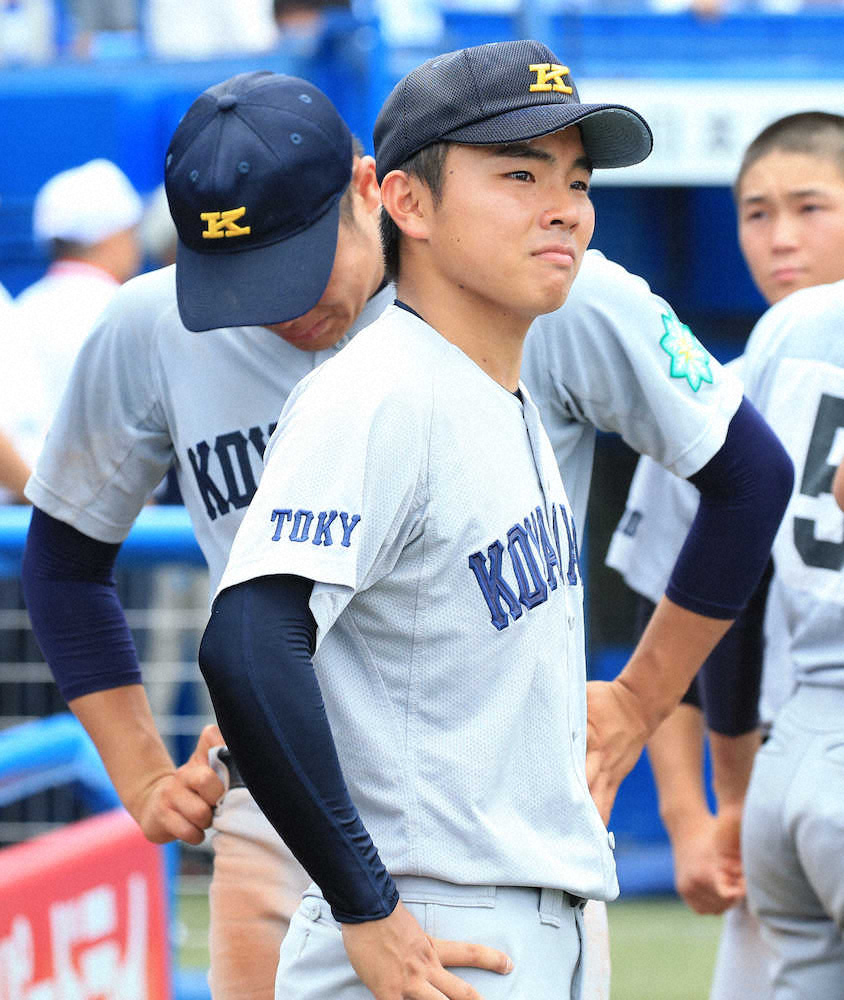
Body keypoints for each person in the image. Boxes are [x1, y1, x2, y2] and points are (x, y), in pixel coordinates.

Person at [22, 62, 788, 1000]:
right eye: (243, 275)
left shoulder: (527, 311)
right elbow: (157, 600)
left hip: (503, 820)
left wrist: (636, 701)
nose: (283, 305)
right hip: (307, 808)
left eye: (574, 182)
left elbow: (752, 476)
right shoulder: (336, 373)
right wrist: (142, 773)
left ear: (368, 194)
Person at [605, 110, 844, 999]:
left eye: (810, 207)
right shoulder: (714, 388)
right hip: (774, 770)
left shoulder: (720, 387)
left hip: (782, 771)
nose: (780, 237)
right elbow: (670, 626)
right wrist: (690, 817)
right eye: (755, 212)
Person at [12, 158, 143, 458]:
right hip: (123, 498)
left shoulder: (21, 308)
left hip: (30, 496)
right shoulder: (125, 310)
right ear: (112, 236)